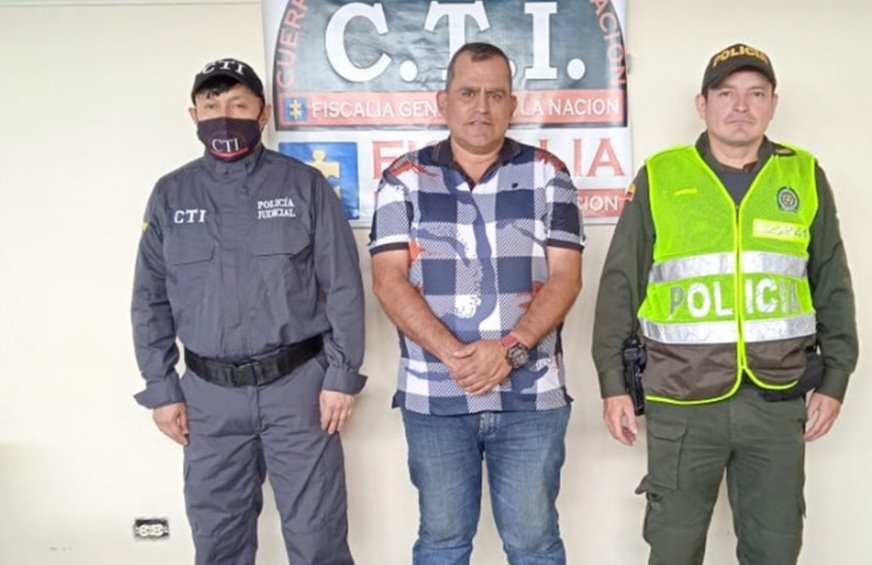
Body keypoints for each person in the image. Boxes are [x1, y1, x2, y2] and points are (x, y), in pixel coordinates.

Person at [592, 43, 858, 564]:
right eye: (726, 93)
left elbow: (832, 282)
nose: (741, 106)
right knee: (673, 549)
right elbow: (620, 284)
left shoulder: (803, 176)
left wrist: (836, 378)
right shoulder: (661, 176)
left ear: (773, 104)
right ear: (703, 104)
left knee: (775, 549)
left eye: (756, 94)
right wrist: (612, 384)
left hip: (776, 400)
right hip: (682, 401)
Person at [131, 57, 365, 565]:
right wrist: (161, 388)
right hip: (208, 397)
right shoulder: (171, 195)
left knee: (319, 538)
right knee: (219, 541)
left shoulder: (304, 186)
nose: (224, 117)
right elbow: (149, 298)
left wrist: (341, 376)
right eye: (211, 105)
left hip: (299, 392)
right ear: (193, 115)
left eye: (239, 105)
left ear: (263, 114)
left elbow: (343, 286)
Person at [369, 42, 584, 565]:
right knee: (442, 544)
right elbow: (388, 281)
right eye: (468, 93)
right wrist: (455, 356)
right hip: (435, 397)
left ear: (513, 105)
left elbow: (566, 278)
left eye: (495, 95)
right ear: (443, 102)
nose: (481, 107)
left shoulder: (549, 174)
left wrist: (509, 350)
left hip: (531, 398)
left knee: (535, 546)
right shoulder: (403, 178)